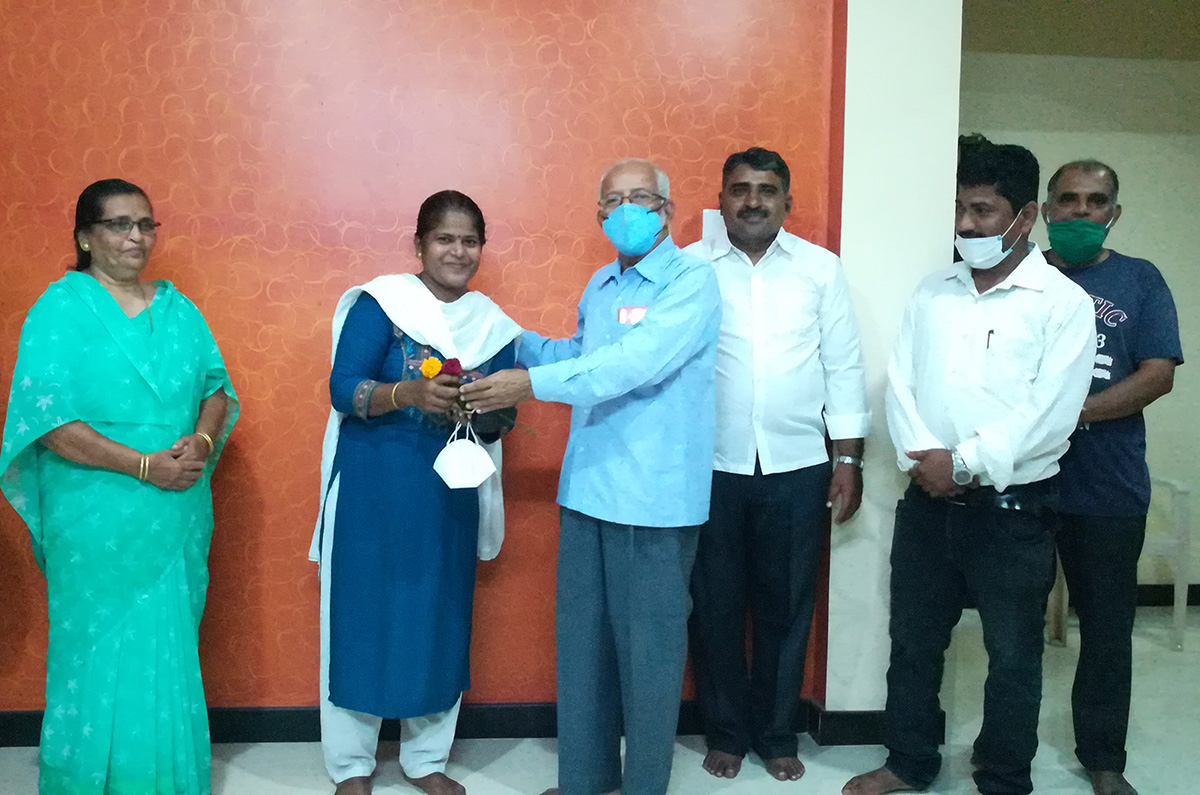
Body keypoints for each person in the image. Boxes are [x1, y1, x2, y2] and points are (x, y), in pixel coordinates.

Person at [460, 158, 721, 795]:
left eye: (640, 197)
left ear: (665, 207)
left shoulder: (692, 280)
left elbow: (633, 366)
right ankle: (584, 780)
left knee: (650, 660)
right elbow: (579, 356)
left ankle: (642, 787)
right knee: (584, 652)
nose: (626, 209)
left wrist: (529, 385)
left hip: (654, 500)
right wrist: (508, 339)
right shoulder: (603, 283)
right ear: (600, 214)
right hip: (588, 490)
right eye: (613, 200)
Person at [842, 144, 1097, 795]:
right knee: (914, 642)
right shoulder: (934, 291)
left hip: (1014, 513)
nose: (967, 224)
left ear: (1027, 215)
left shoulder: (1061, 303)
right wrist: (927, 461)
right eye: (959, 207)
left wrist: (963, 462)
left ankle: (1006, 775)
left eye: (983, 209)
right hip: (927, 506)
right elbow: (900, 383)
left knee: (1013, 655)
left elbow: (1051, 413)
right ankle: (909, 760)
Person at [0, 178, 238, 794]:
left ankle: (166, 778)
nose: (136, 237)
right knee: (94, 646)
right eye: (118, 224)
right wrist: (141, 465)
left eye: (146, 224)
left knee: (168, 641)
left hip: (177, 504)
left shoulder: (179, 309)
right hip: (94, 510)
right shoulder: (60, 309)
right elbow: (45, 420)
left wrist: (203, 442)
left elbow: (217, 389)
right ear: (85, 236)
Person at [310, 190, 522, 795]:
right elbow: (342, 387)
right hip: (372, 487)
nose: (458, 251)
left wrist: (478, 404)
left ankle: (426, 759)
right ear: (420, 245)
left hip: (448, 493)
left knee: (439, 615)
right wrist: (406, 394)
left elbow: (500, 420)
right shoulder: (383, 303)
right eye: (445, 239)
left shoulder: (491, 323)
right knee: (360, 615)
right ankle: (351, 764)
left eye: (470, 240)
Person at [682, 147, 870, 782]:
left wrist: (847, 456)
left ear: (788, 202)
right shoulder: (686, 269)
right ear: (722, 198)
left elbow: (844, 366)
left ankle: (777, 732)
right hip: (709, 465)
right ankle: (726, 731)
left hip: (798, 464)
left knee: (786, 606)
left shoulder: (821, 271)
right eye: (740, 189)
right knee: (714, 605)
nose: (753, 201)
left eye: (766, 190)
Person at [1042, 160, 1183, 795]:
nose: (1080, 212)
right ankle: (1004, 748)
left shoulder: (1141, 280)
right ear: (1045, 210)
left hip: (1109, 486)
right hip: (1023, 483)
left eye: (1095, 202)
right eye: (1066, 200)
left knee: (1105, 631)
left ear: (1114, 213)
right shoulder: (1024, 273)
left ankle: (1103, 759)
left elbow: (1157, 374)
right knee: (1010, 627)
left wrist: (1067, 416)